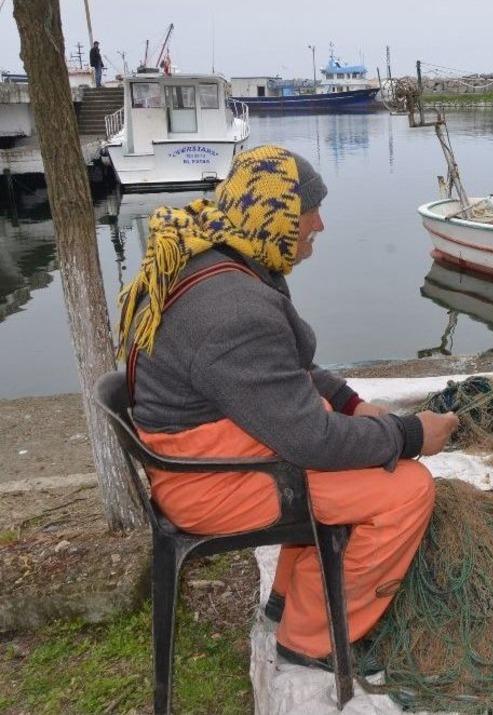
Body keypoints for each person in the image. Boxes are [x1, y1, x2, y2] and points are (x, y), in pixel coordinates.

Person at [116, 144, 460, 669]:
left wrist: (349, 403)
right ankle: (311, 638)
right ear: (274, 217)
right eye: (309, 211)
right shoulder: (233, 309)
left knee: (347, 452)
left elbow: (283, 369)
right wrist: (411, 436)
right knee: (406, 490)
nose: (320, 223)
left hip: (209, 454)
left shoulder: (219, 258)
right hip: (210, 485)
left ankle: (287, 600)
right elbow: (311, 443)